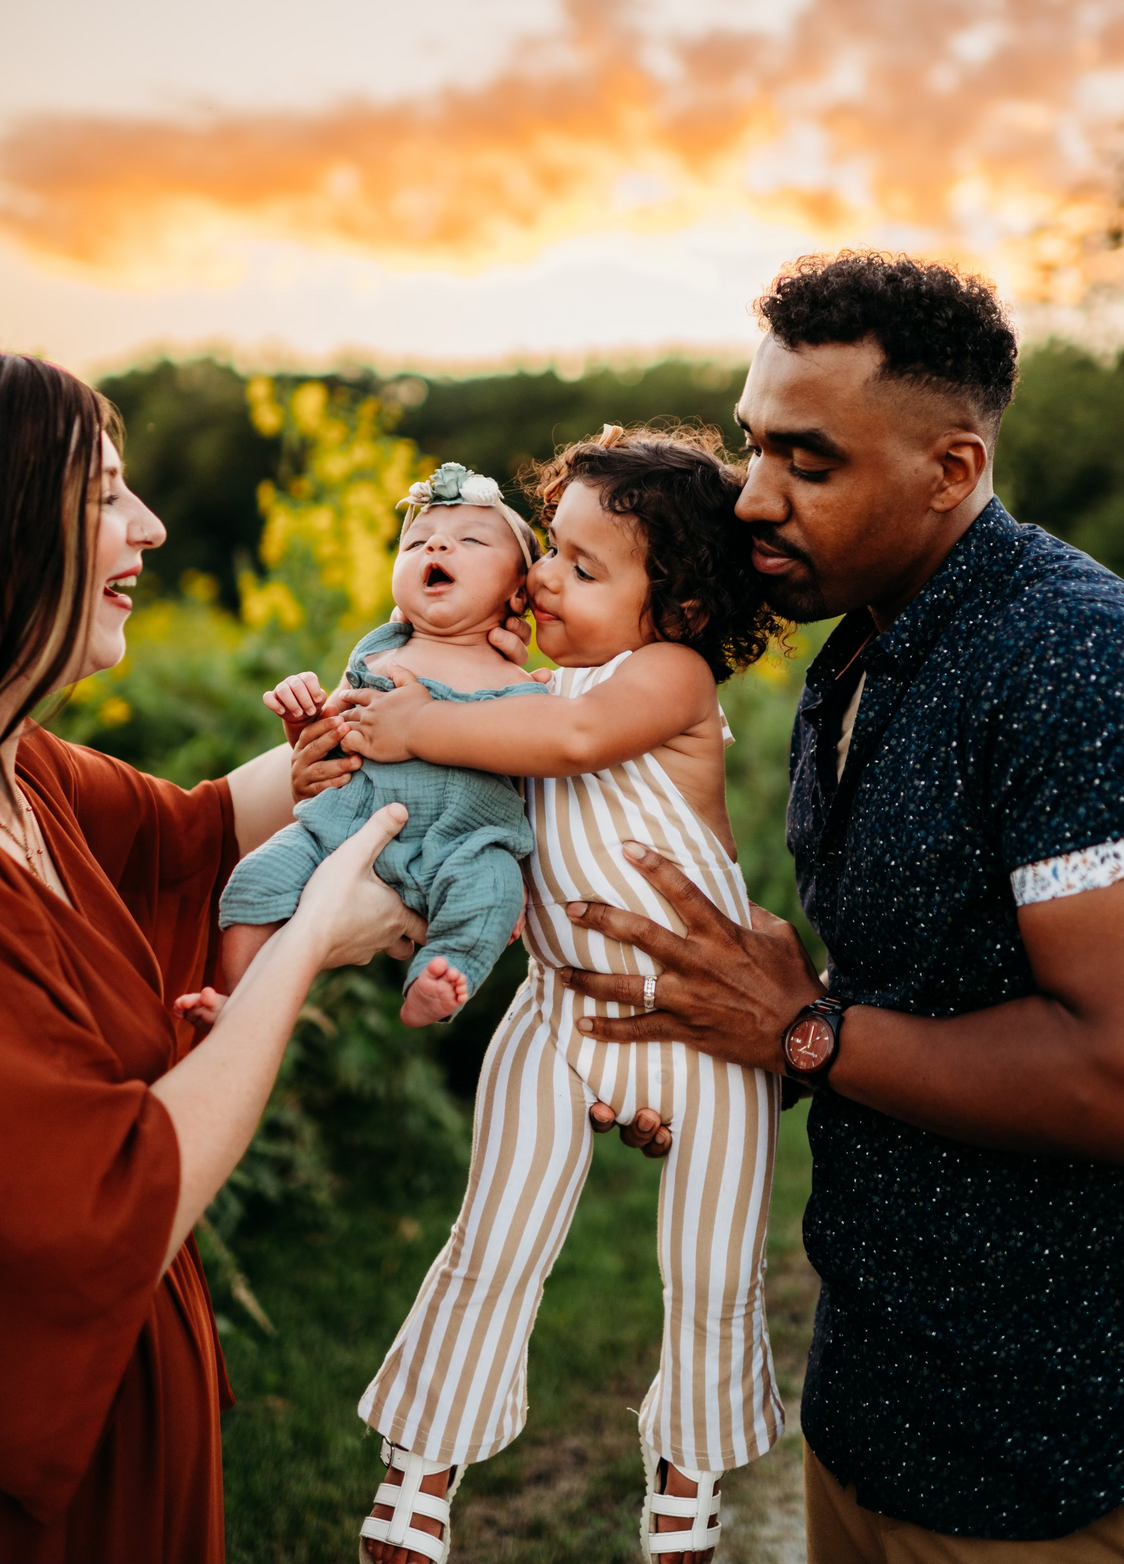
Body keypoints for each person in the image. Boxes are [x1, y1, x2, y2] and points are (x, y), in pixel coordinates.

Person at [553, 254, 1124, 1562]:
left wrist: (810, 1035)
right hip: (875, 1397)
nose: (751, 497)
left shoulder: (1082, 666)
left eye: (809, 461)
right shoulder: (859, 645)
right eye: (751, 447)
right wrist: (735, 1055)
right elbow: (911, 995)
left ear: (951, 470)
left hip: (1057, 1449)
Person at [293, 427, 785, 1564]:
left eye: (581, 565)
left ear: (683, 605)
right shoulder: (520, 683)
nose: (544, 578)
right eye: (547, 553)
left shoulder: (667, 677)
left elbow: (568, 736)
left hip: (705, 1024)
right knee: (494, 1235)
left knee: (712, 1263)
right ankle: (421, 1467)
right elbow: (477, 725)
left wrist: (426, 721)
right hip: (559, 1009)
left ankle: (687, 1474)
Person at [0, 353, 431, 1564]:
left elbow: (197, 831)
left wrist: (431, 697)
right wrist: (308, 942)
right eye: (109, 495)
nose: (153, 525)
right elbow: (124, 1192)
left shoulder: (24, 767)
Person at [179, 460, 549, 1032]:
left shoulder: (524, 684)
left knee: (494, 891)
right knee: (254, 880)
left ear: (518, 593)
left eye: (471, 540)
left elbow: (540, 771)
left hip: (463, 843)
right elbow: (326, 743)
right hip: (341, 826)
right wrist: (303, 716)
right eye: (418, 541)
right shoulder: (378, 655)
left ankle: (437, 978)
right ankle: (242, 1002)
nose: (439, 544)